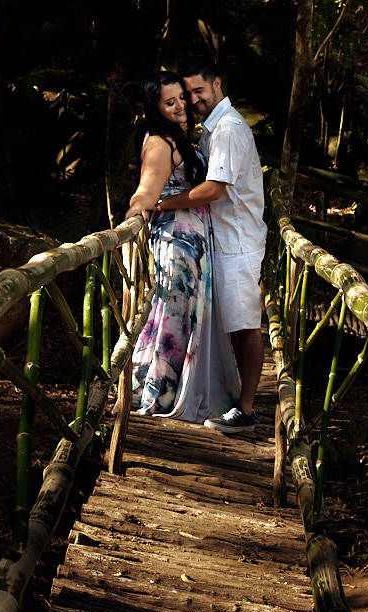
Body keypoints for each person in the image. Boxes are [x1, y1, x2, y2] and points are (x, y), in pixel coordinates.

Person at [153, 58, 267, 435]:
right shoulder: (212, 129)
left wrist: (162, 202)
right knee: (233, 325)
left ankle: (246, 409)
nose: (193, 100)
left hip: (239, 243)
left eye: (199, 91)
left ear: (218, 84)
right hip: (222, 242)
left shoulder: (230, 129)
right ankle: (234, 400)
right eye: (188, 94)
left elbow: (214, 189)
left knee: (246, 325)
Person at [124, 71, 239, 422]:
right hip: (177, 243)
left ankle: (175, 387)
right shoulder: (160, 142)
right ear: (156, 108)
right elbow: (147, 189)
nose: (179, 106)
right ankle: (158, 393)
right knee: (173, 318)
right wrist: (138, 209)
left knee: (186, 318)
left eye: (181, 99)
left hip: (194, 242)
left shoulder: (179, 138)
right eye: (169, 102)